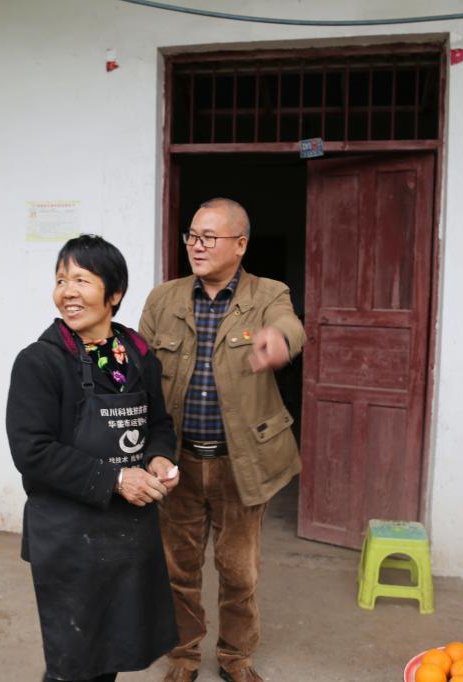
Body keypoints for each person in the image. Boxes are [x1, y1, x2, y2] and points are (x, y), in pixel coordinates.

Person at [139, 198, 305, 682]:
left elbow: (290, 324)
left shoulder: (268, 293)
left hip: (241, 463)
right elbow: (142, 372)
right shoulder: (163, 299)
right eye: (192, 235)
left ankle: (236, 656)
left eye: (209, 237)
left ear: (240, 244)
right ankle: (184, 655)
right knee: (178, 569)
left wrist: (280, 340)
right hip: (177, 462)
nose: (197, 245)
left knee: (239, 572)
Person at [7, 234, 181, 682]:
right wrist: (117, 478)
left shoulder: (138, 356)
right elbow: (31, 451)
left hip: (127, 532)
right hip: (68, 535)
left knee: (110, 653)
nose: (68, 291)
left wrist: (159, 458)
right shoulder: (40, 362)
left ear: (115, 294)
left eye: (81, 280)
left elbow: (159, 424)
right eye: (61, 280)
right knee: (73, 661)